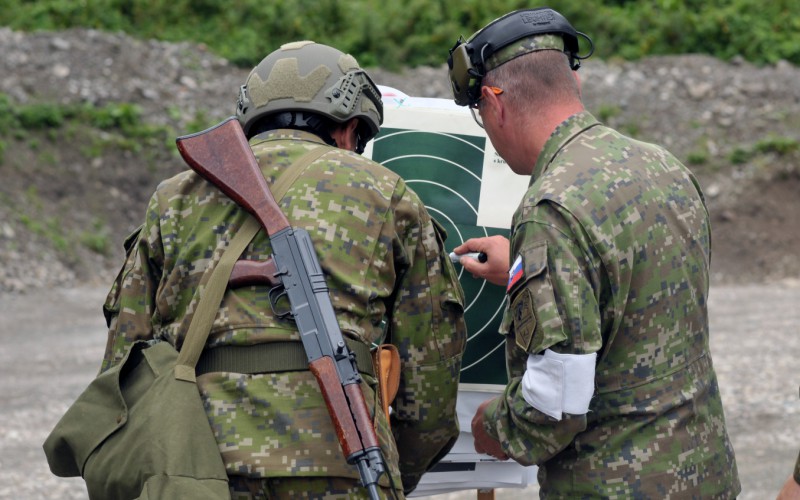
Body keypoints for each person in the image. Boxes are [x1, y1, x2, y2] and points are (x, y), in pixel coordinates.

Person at [101, 40, 467, 498]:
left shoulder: (174, 198)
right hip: (340, 464)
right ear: (349, 126)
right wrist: (393, 469)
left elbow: (122, 362)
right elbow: (430, 377)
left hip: (191, 464)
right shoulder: (384, 192)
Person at [445, 7, 740, 497]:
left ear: (495, 105)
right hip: (705, 473)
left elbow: (554, 405)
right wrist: (523, 266)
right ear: (574, 88)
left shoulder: (549, 212)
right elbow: (631, 287)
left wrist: (494, 428)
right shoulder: (663, 165)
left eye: (480, 114)